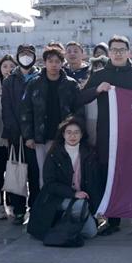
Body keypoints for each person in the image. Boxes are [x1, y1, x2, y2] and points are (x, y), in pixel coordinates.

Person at [82, 35, 132, 236]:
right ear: (109, 52)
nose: (118, 53)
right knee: (109, 177)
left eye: (122, 49)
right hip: (106, 135)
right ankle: (113, 220)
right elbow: (79, 98)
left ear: (128, 52)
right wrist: (97, 89)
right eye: (114, 49)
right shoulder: (98, 75)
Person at [27, 117, 103, 242]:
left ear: (82, 134)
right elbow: (50, 183)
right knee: (79, 205)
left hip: (83, 198)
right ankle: (62, 222)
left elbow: (95, 182)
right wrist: (73, 193)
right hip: (57, 198)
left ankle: (67, 222)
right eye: (69, 132)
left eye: (76, 132)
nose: (72, 136)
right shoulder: (54, 153)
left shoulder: (90, 153)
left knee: (91, 233)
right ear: (63, 134)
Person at [21, 47, 83, 194]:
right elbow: (26, 111)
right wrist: (28, 136)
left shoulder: (71, 84)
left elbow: (79, 110)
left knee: (65, 172)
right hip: (40, 137)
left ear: (62, 63)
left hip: (64, 137)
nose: (54, 65)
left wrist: (76, 133)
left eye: (57, 61)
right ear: (45, 63)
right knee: (44, 173)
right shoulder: (34, 84)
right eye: (50, 61)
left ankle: (63, 204)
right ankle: (47, 204)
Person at [2, 44, 41, 225]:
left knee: (35, 174)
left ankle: (36, 207)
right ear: (17, 57)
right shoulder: (10, 81)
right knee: (17, 172)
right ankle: (18, 210)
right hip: (17, 136)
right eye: (22, 54)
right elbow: (7, 109)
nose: (26, 57)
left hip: (36, 136)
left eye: (29, 54)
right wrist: (17, 133)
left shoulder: (41, 77)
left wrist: (34, 134)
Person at [0, 54, 15, 218]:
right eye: (5, 66)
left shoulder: (19, 86)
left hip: (14, 137)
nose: (8, 69)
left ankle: (12, 203)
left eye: (11, 66)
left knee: (14, 172)